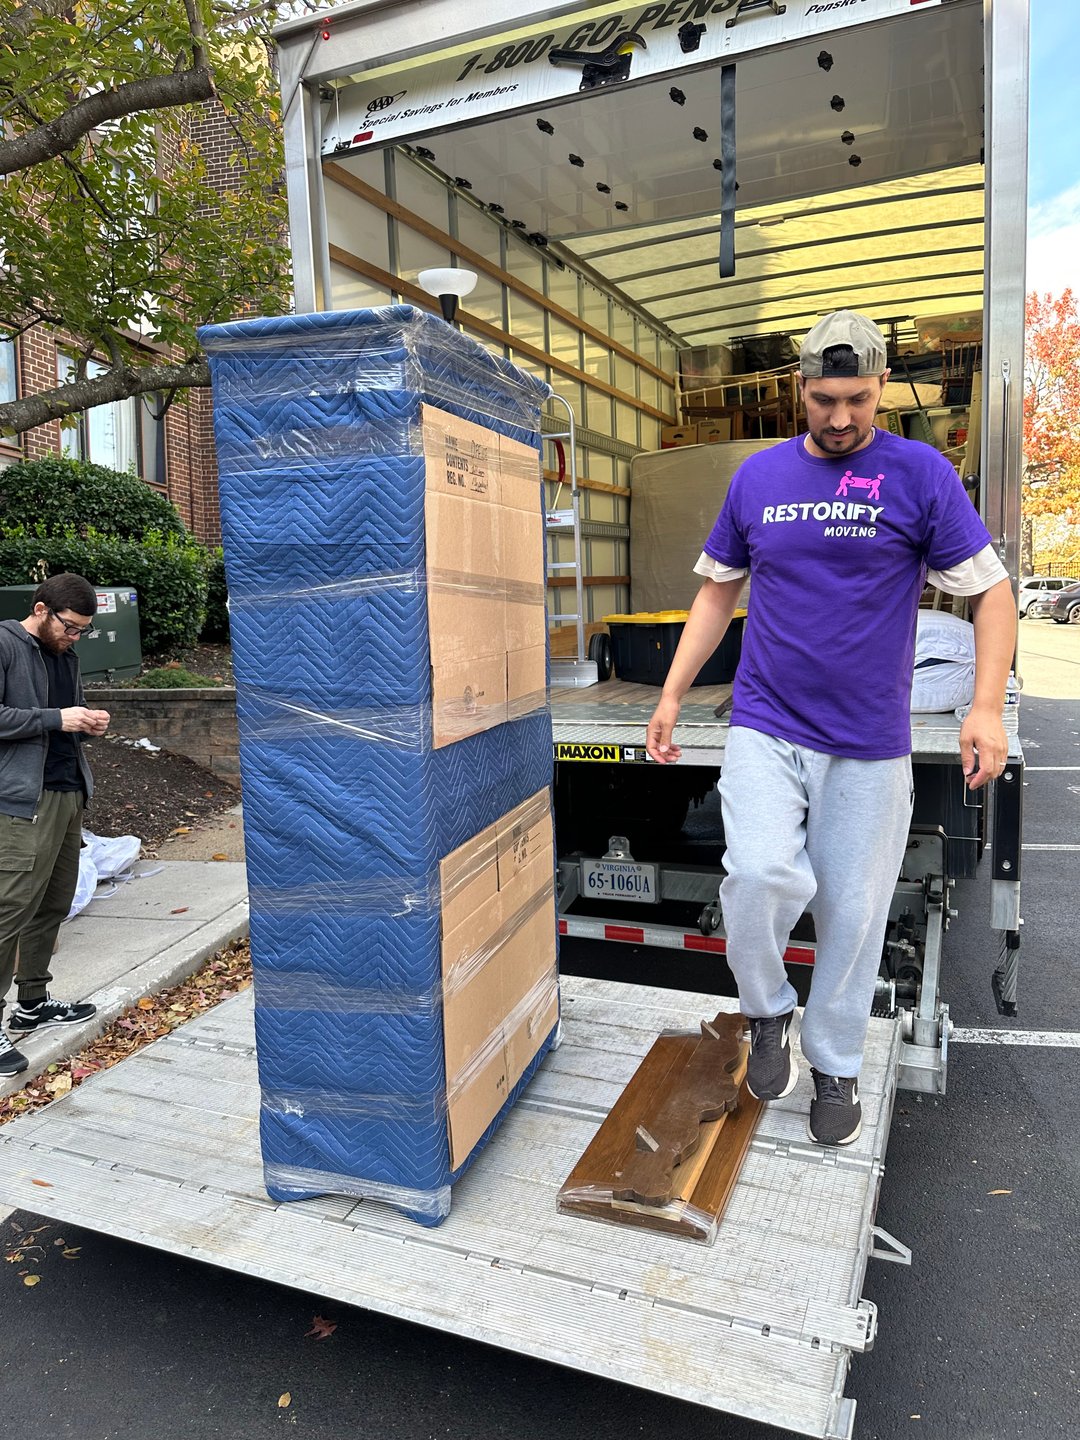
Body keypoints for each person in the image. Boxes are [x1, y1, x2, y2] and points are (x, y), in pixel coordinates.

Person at [645, 311, 1015, 1147]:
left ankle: (837, 1061)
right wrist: (671, 694)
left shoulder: (920, 475)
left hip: (869, 740)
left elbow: (991, 590)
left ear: (880, 387)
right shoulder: (759, 477)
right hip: (765, 720)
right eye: (823, 400)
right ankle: (768, 1009)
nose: (841, 418)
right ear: (799, 389)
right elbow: (717, 590)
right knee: (758, 877)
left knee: (853, 912)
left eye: (857, 400)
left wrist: (985, 705)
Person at [0, 574, 111, 1077]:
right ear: (41, 610)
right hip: (22, 800)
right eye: (70, 626)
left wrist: (87, 723)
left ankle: (33, 1002)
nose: (75, 636)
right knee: (9, 909)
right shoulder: (6, 644)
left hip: (68, 791)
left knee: (53, 902)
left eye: (83, 629)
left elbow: (63, 719)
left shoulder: (66, 656)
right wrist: (55, 718)